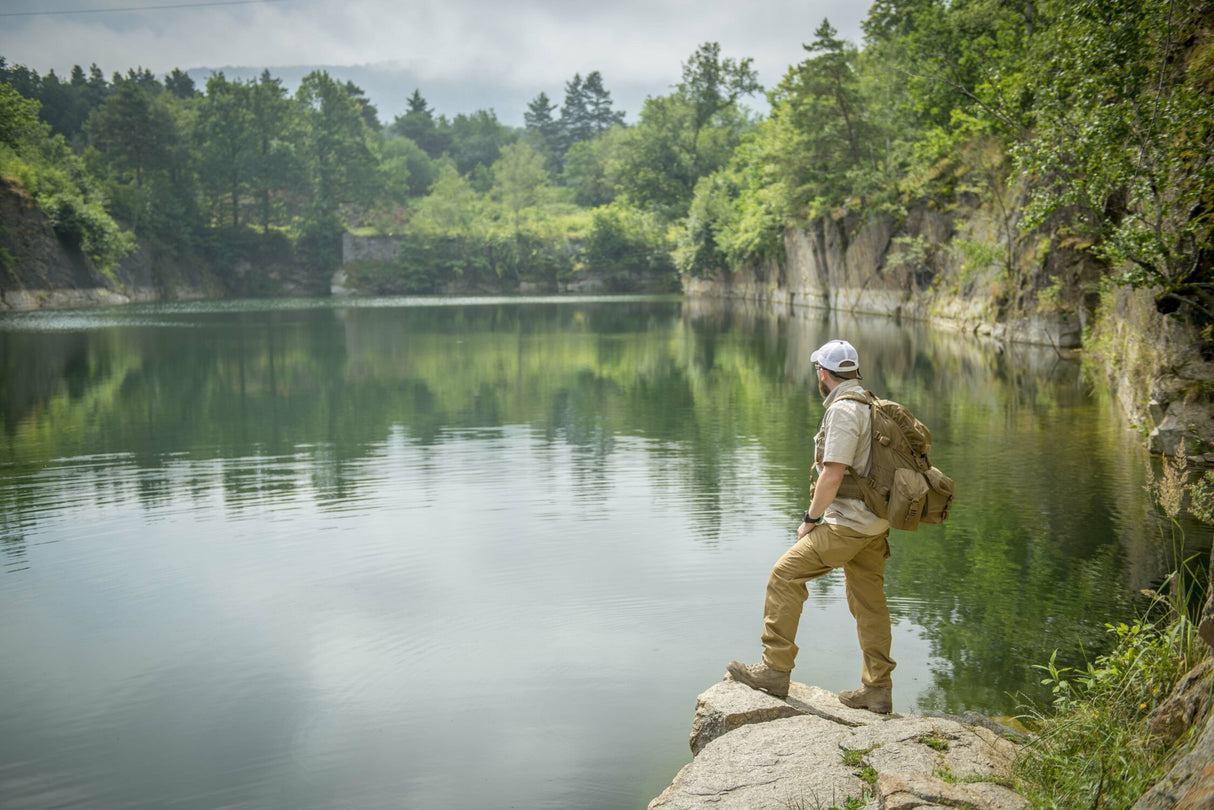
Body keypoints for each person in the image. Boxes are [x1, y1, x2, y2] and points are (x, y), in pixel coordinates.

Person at [726, 338, 895, 713]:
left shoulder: (843, 411)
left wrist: (810, 520)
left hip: (847, 525)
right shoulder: (870, 403)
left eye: (817, 370)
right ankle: (878, 689)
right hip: (876, 525)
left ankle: (775, 669)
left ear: (823, 373)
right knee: (871, 606)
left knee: (785, 576)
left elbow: (832, 475)